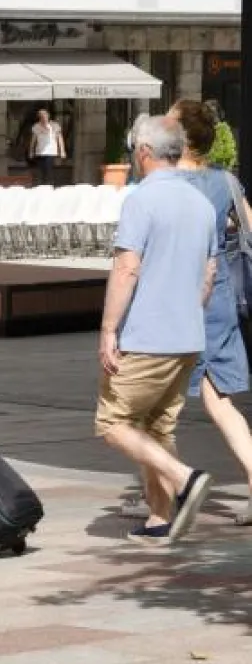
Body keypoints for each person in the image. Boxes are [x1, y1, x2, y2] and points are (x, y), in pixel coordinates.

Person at [95, 115, 216, 546]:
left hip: (147, 335)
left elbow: (127, 267)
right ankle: (159, 519)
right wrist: (187, 311)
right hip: (187, 334)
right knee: (157, 427)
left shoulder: (141, 200)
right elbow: (209, 272)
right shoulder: (200, 203)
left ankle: (186, 478)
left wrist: (109, 329)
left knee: (113, 422)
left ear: (144, 152)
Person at [169, 99, 252, 526]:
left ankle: (164, 493)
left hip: (177, 298)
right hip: (218, 296)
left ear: (180, 135)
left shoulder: (165, 183)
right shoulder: (226, 182)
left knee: (154, 400)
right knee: (219, 400)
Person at [28, 109, 66, 185]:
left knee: (49, 171)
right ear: (39, 117)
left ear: (48, 116)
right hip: (39, 152)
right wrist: (31, 151)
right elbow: (33, 140)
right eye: (41, 116)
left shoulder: (54, 125)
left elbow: (60, 139)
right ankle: (41, 187)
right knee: (40, 171)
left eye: (44, 115)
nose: (43, 117)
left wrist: (62, 151)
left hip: (50, 152)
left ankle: (49, 186)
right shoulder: (36, 126)